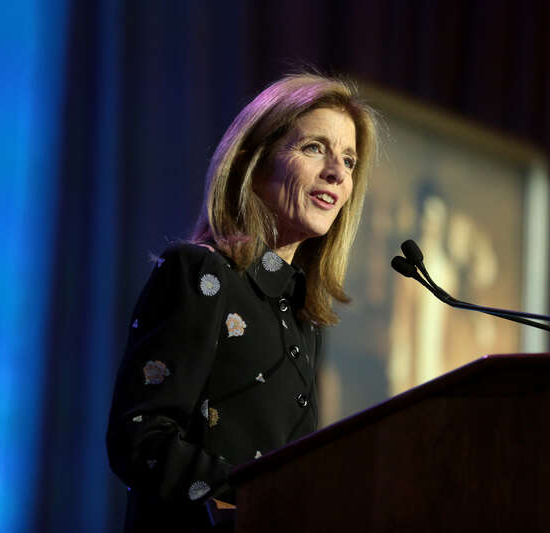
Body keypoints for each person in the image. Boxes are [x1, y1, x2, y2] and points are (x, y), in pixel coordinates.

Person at [106, 73, 379, 532]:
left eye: (349, 160)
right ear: (255, 160)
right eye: (315, 148)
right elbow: (140, 438)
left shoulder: (304, 316)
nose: (337, 172)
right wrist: (254, 492)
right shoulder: (200, 274)